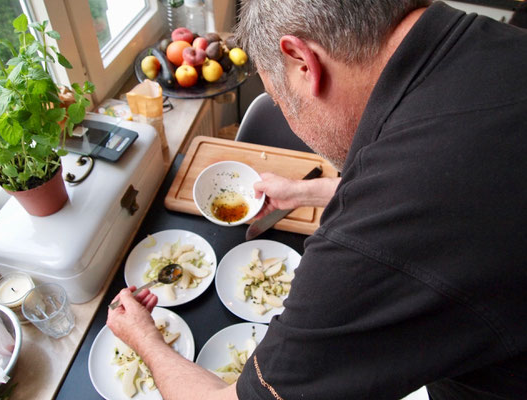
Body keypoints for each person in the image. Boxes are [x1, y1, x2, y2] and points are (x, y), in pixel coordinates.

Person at [107, 1, 527, 399]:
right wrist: (306, 191)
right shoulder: (491, 41)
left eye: (277, 97)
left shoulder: (375, 236)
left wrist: (145, 337)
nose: (283, 111)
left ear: (303, 62)